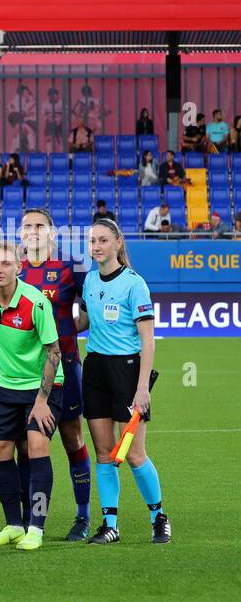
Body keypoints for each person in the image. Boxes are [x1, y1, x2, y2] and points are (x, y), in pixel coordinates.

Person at [77, 219, 171, 544]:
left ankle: (159, 517)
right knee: (103, 452)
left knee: (132, 453)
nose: (97, 246)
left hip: (128, 374)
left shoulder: (134, 284)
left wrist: (142, 387)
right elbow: (85, 320)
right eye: (92, 241)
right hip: (95, 371)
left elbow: (149, 340)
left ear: (118, 243)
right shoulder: (89, 280)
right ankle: (110, 525)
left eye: (103, 240)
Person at [0, 238, 64, 550]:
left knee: (37, 448)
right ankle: (14, 524)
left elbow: (54, 353)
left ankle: (36, 527)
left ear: (18, 266)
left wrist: (42, 401)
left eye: (5, 263)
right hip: (5, 386)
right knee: (0, 450)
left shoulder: (36, 302)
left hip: (42, 387)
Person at [19, 207, 93, 540]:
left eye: (39, 226)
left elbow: (90, 311)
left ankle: (83, 516)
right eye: (26, 226)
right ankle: (25, 516)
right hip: (24, 372)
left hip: (66, 368)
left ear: (53, 232)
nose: (32, 231)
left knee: (72, 438)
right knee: (25, 444)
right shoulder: (13, 269)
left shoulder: (69, 269)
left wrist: (67, 335)